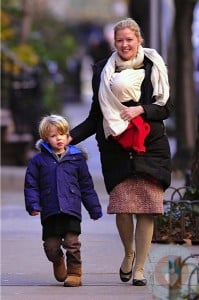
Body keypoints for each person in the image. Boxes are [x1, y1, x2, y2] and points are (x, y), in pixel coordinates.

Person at [69, 18, 173, 286]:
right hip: (116, 146)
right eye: (120, 40)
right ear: (113, 43)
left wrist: (142, 109)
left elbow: (165, 108)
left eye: (129, 39)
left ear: (139, 40)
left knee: (147, 209)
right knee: (123, 208)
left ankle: (140, 268)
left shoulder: (154, 67)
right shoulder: (103, 71)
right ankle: (129, 253)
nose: (125, 44)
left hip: (150, 146)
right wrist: (70, 137)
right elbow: (96, 116)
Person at [24, 114, 102, 287]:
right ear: (45, 139)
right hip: (50, 210)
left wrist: (94, 209)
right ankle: (58, 260)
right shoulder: (38, 161)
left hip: (71, 209)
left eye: (62, 134)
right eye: (53, 135)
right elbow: (31, 185)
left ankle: (74, 273)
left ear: (68, 135)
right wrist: (33, 205)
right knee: (50, 247)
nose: (58, 138)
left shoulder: (77, 160)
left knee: (72, 243)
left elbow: (86, 186)